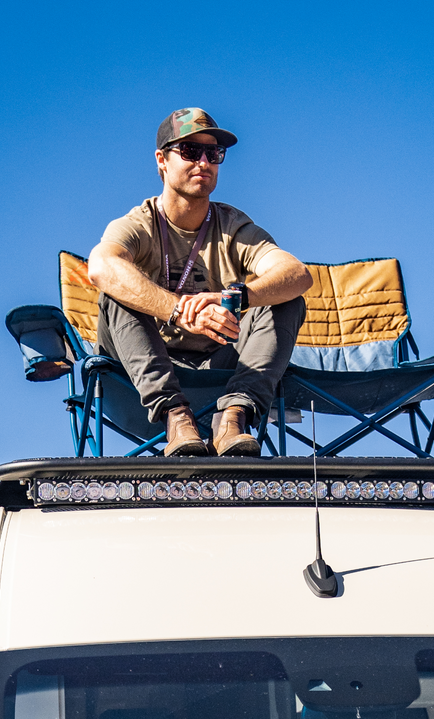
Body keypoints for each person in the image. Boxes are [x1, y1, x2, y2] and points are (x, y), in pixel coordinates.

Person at [88, 109, 312, 458]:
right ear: (161, 160)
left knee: (287, 299)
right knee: (115, 294)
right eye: (190, 152)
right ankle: (176, 416)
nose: (204, 162)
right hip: (140, 382)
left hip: (221, 372)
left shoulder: (233, 226)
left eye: (214, 154)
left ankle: (233, 417)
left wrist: (237, 299)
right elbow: (102, 265)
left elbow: (297, 273)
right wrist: (178, 310)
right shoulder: (139, 224)